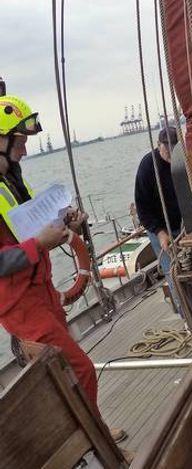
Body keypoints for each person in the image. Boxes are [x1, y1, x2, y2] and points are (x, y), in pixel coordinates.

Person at [0, 95, 126, 442]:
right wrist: (39, 243)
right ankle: (97, 445)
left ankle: (93, 430)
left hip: (42, 293)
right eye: (20, 143)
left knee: (70, 372)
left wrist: (65, 219)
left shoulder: (12, 182)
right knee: (81, 370)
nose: (24, 152)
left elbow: (27, 223)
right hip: (21, 308)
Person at [135, 126, 182, 313]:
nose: (170, 154)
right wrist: (160, 233)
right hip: (160, 228)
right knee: (173, 273)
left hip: (185, 223)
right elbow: (142, 209)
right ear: (158, 145)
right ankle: (186, 317)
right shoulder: (147, 167)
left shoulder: (183, 160)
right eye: (166, 149)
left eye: (174, 149)